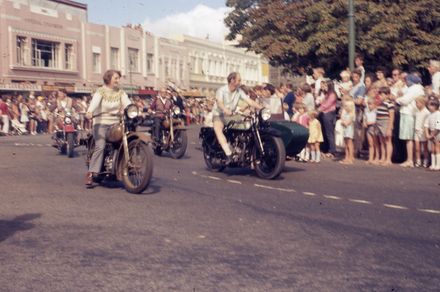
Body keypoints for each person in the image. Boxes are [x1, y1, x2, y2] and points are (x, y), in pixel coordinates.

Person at [84, 69, 132, 187]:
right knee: (100, 146)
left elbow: (128, 103)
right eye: (116, 78)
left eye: (118, 78)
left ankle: (119, 168)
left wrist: (134, 110)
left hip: (116, 124)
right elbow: (94, 103)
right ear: (108, 79)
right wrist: (89, 111)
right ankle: (91, 173)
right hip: (101, 123)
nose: (118, 80)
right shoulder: (100, 91)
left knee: (124, 141)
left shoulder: (120, 92)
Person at [212, 72, 263, 163]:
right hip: (219, 115)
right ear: (232, 80)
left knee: (248, 123)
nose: (240, 82)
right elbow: (219, 102)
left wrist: (262, 108)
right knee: (218, 129)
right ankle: (228, 154)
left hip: (232, 115)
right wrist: (224, 109)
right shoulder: (221, 90)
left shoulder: (239, 91)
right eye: (239, 80)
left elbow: (249, 101)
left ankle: (241, 146)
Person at [396, 73, 424, 167]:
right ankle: (411, 159)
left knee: (409, 138)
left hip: (409, 113)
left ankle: (410, 160)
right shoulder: (412, 88)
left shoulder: (415, 89)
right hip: (406, 113)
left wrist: (397, 99)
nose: (406, 82)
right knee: (408, 138)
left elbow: (405, 100)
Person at [376, 87, 395, 166]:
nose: (380, 96)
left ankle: (388, 159)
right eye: (380, 94)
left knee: (388, 141)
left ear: (387, 95)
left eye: (382, 94)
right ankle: (382, 157)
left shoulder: (390, 104)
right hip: (379, 123)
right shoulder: (380, 104)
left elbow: (391, 116)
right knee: (382, 141)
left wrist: (389, 128)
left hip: (386, 123)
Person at [318, 79, 337, 158]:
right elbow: (322, 103)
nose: (324, 87)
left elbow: (326, 105)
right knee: (324, 132)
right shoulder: (327, 94)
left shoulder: (332, 94)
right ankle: (326, 149)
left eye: (326, 86)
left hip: (329, 114)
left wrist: (318, 110)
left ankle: (332, 151)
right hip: (324, 113)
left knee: (329, 133)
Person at [424, 98, 440, 171]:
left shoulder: (438, 114)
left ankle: (438, 164)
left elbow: (438, 126)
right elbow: (426, 125)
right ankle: (433, 164)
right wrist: (427, 134)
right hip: (431, 133)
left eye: (430, 105)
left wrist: (432, 135)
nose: (429, 107)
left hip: (437, 133)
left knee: (437, 148)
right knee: (432, 149)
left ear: (435, 106)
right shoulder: (429, 115)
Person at [414, 96, 430, 168]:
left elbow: (426, 123)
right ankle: (418, 161)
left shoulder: (426, 112)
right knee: (417, 148)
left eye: (417, 103)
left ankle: (426, 161)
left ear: (422, 103)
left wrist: (425, 131)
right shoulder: (417, 112)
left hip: (423, 131)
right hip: (416, 131)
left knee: (425, 148)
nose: (416, 105)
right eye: (416, 103)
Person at [340, 99, 356, 164]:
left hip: (349, 130)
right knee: (346, 144)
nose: (345, 107)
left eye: (346, 106)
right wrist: (343, 122)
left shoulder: (352, 114)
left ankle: (350, 158)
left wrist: (343, 122)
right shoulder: (345, 113)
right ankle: (346, 157)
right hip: (345, 130)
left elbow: (347, 123)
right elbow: (342, 120)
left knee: (349, 143)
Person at [364, 97, 379, 164]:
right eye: (368, 104)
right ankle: (370, 158)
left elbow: (377, 120)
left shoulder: (376, 111)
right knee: (370, 144)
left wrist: (371, 123)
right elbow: (365, 117)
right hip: (368, 128)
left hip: (374, 127)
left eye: (371, 104)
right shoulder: (366, 110)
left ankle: (377, 157)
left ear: (375, 104)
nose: (369, 106)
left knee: (375, 143)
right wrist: (364, 122)